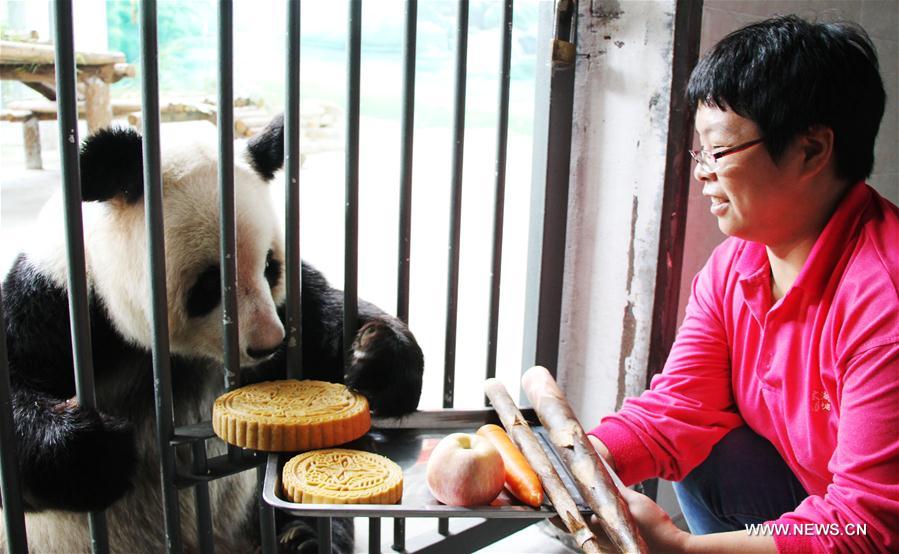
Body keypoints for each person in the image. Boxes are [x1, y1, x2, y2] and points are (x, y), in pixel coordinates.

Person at [587, 14, 898, 553]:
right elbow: (678, 410)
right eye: (700, 152)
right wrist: (571, 459)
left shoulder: (883, 302)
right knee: (712, 452)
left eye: (721, 152)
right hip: (817, 498)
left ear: (811, 151)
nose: (703, 172)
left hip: (868, 530)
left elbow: (865, 526)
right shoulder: (737, 265)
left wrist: (682, 550)